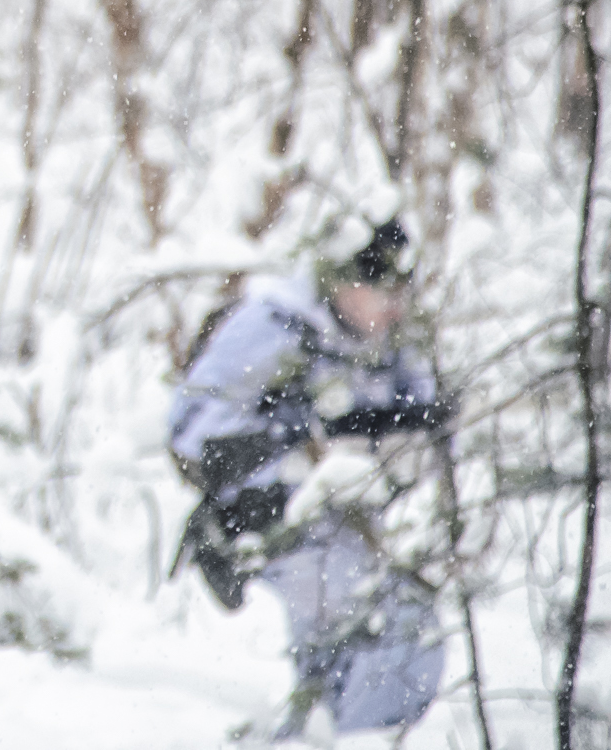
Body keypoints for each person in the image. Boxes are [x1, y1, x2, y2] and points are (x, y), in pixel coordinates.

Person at [170, 221, 452, 739]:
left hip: (353, 524)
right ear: (340, 281)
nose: (393, 309)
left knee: (408, 629)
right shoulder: (273, 325)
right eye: (380, 292)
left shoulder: (387, 339)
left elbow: (416, 416)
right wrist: (292, 435)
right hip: (263, 526)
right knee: (371, 626)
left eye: (400, 294)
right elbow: (192, 437)